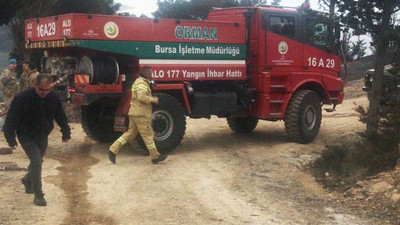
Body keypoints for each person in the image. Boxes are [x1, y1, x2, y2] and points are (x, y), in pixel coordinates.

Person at [3, 74, 71, 206]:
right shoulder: (22, 98)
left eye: (47, 90)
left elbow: (60, 116)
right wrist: (11, 139)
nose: (44, 93)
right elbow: (11, 120)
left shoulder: (53, 98)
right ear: (35, 85)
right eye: (42, 90)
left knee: (38, 161)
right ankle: (38, 194)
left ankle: (28, 180)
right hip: (26, 135)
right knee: (36, 161)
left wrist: (66, 132)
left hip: (42, 135)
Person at [108, 66, 167, 164]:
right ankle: (155, 156)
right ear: (147, 74)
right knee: (148, 135)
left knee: (130, 133)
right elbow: (141, 97)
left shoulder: (138, 81)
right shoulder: (142, 83)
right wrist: (153, 100)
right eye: (151, 73)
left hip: (134, 112)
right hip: (141, 114)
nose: (152, 75)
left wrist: (150, 96)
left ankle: (113, 150)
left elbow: (141, 95)